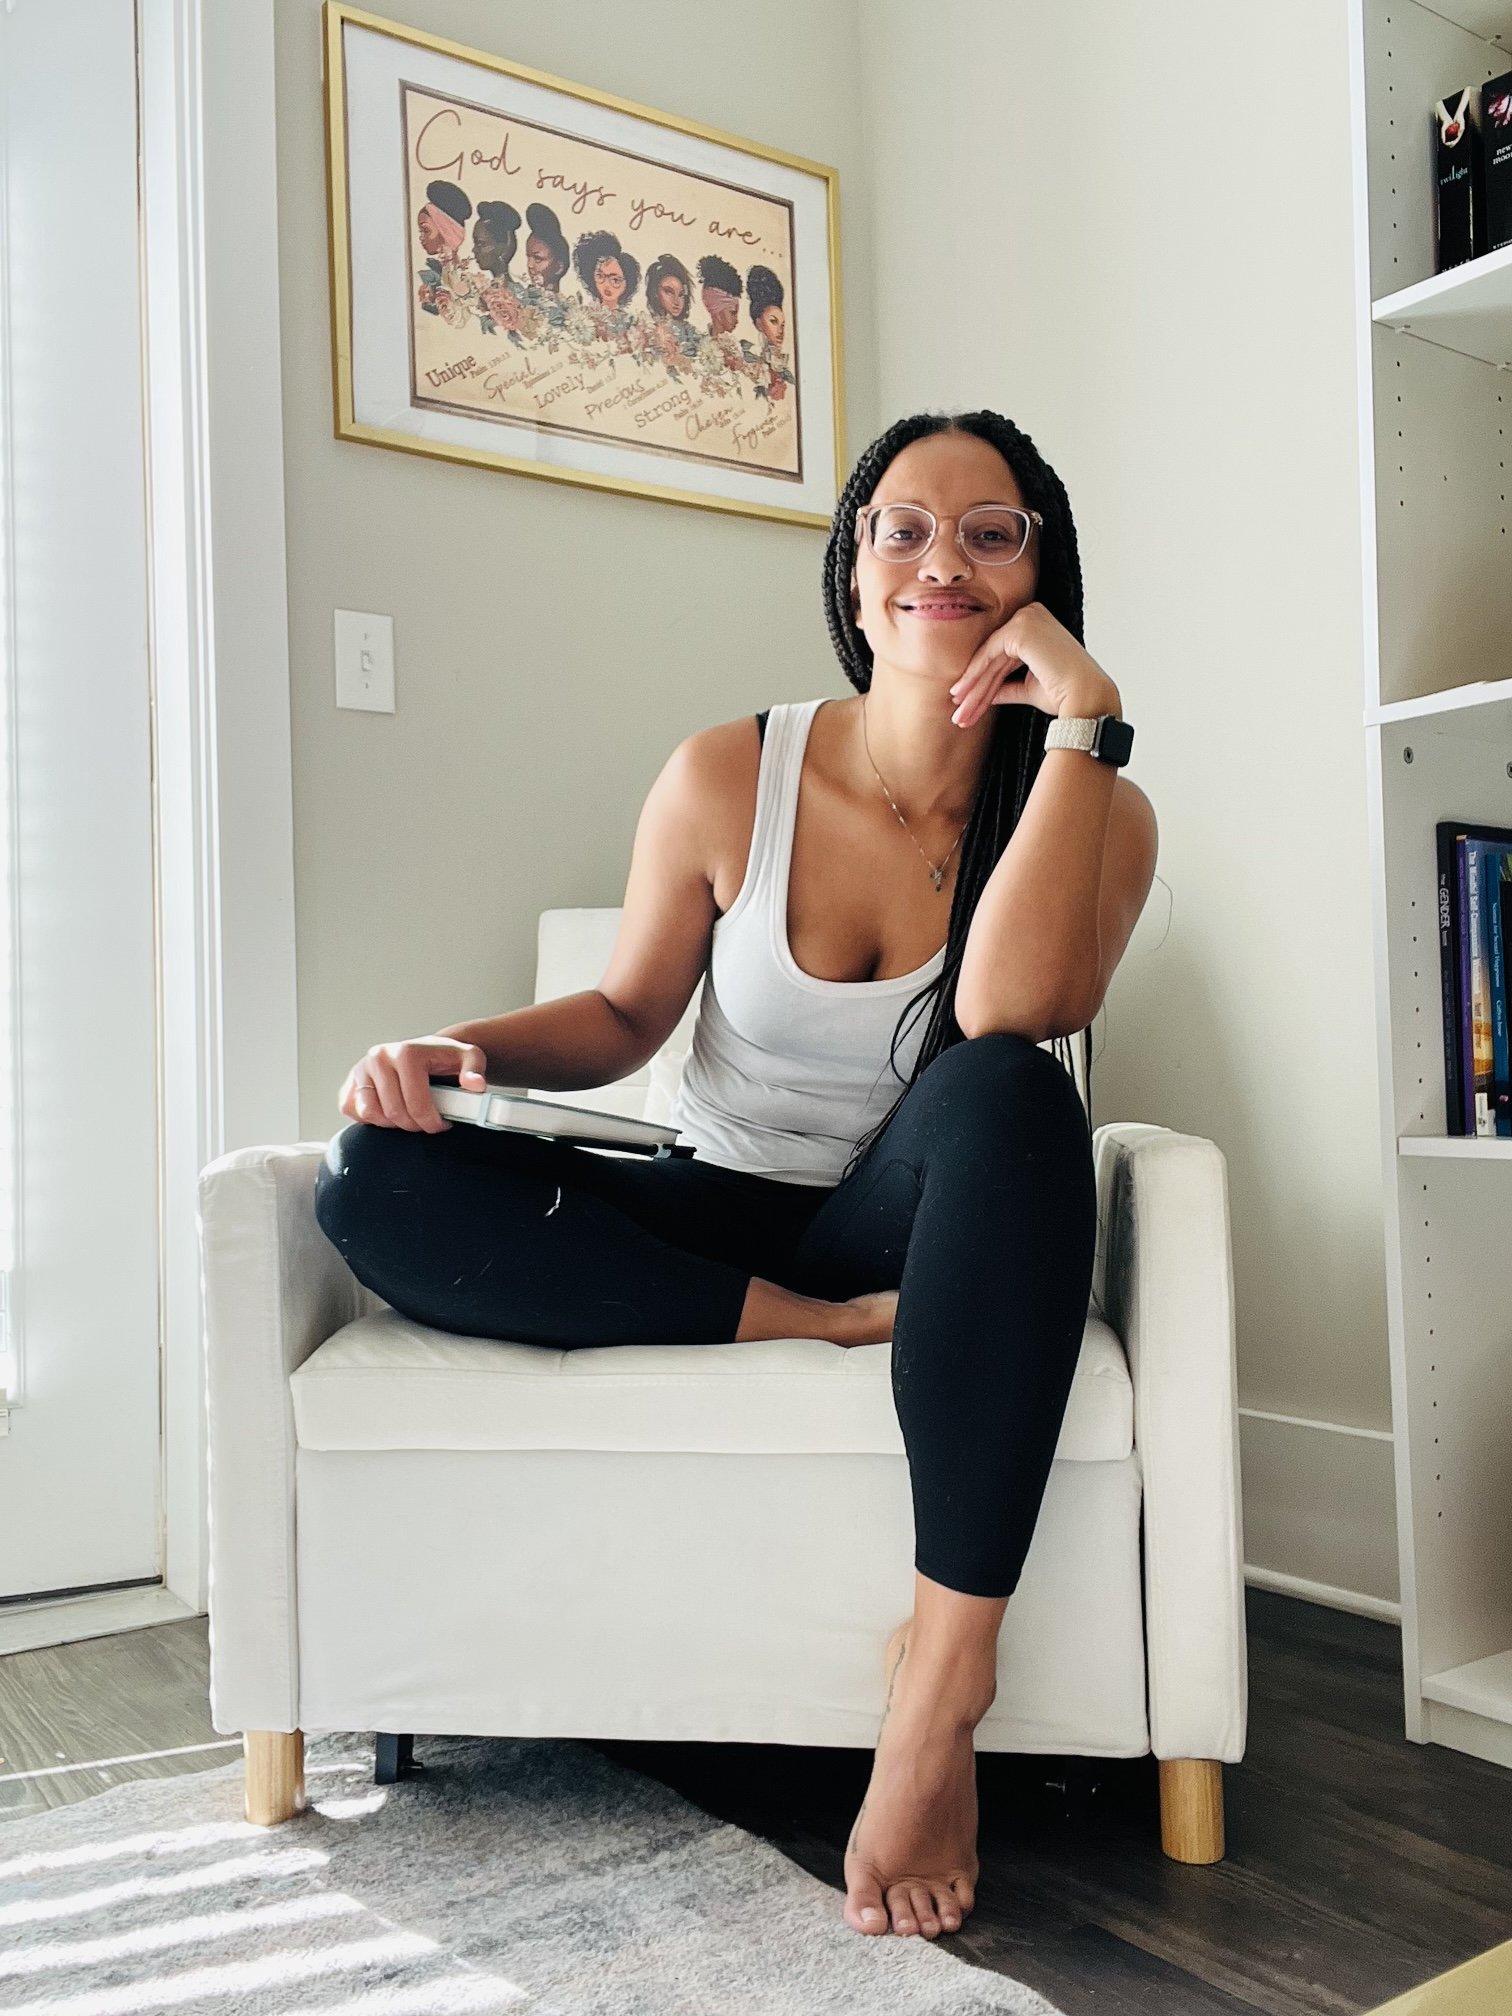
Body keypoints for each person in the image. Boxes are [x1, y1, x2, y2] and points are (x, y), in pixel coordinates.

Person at [313, 407, 1158, 1944]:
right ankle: (812, 1323)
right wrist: (456, 1048)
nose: (941, 560)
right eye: (902, 527)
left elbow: (1009, 1010)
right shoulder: (731, 772)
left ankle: (943, 1682)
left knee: (1012, 1091)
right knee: (372, 1174)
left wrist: (1085, 724)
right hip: (721, 1211)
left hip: (934, 1224)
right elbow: (628, 1015)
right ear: (853, 578)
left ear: (1043, 568)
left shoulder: (1095, 800)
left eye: (992, 528)